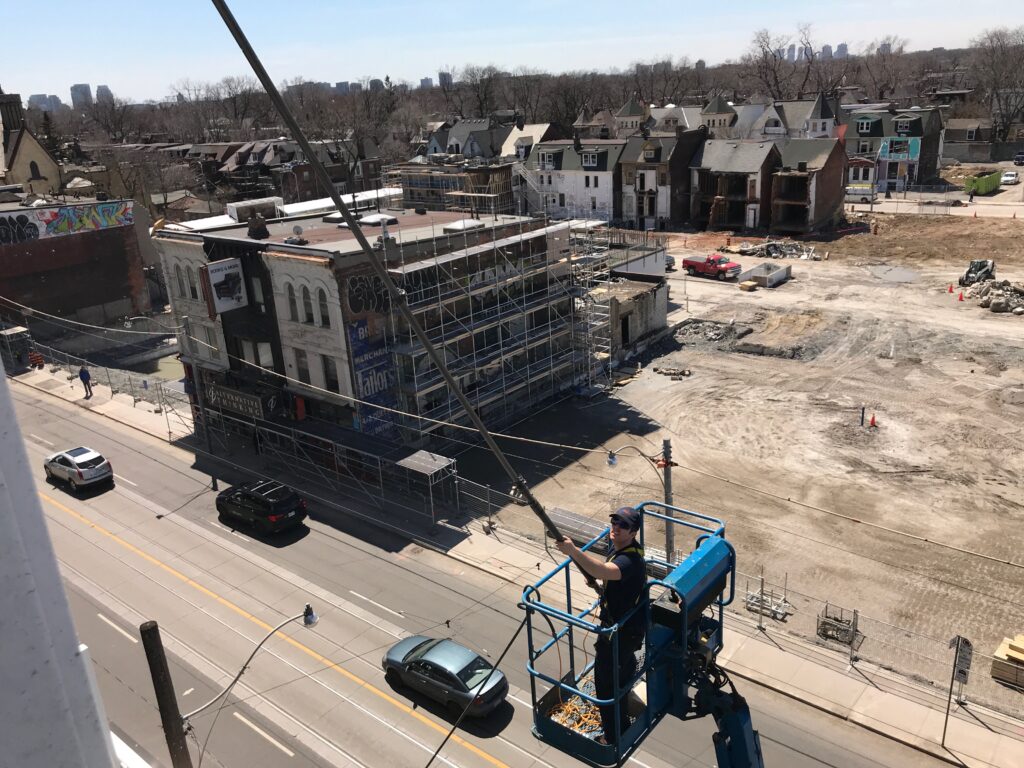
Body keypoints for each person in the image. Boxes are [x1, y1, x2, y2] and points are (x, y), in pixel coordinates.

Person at [557, 506, 647, 745]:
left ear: (633, 532)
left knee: (606, 689)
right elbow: (603, 573)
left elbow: (601, 569)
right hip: (626, 631)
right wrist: (601, 582)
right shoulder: (622, 550)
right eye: (615, 521)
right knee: (621, 672)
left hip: (620, 634)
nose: (616, 527)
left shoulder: (629, 560)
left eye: (623, 525)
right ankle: (622, 712)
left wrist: (573, 551)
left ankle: (613, 737)